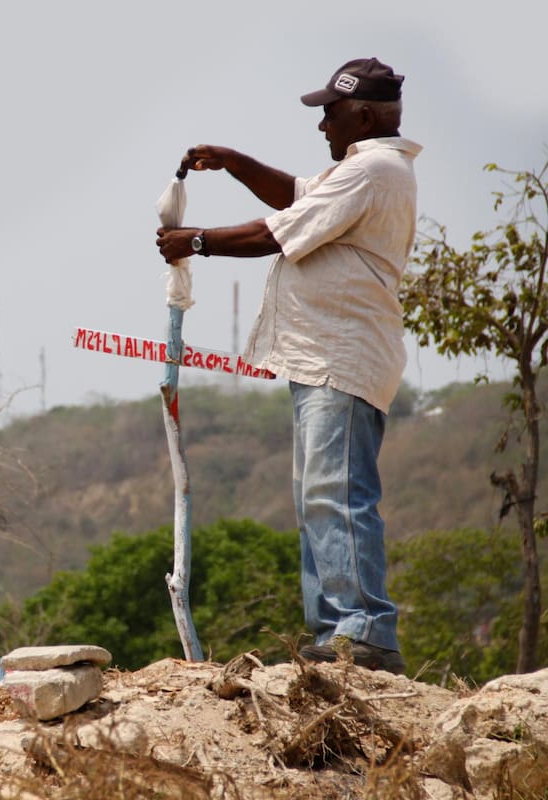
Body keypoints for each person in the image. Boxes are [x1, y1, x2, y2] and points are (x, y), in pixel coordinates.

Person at [155, 57, 421, 674]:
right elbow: (298, 197)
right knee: (316, 499)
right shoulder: (363, 169)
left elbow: (279, 231)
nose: (322, 124)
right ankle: (336, 633)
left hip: (342, 357)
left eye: (330, 112)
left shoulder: (372, 170)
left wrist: (197, 241)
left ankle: (362, 632)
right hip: (324, 358)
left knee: (337, 495)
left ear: (362, 116)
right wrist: (234, 161)